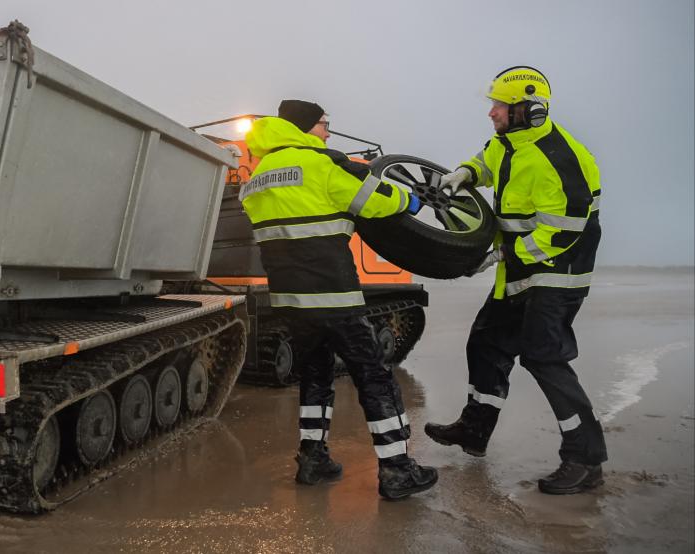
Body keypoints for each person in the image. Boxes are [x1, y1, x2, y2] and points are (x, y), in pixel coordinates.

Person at [239, 99, 436, 500]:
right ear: (306, 127)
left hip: (290, 300)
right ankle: (397, 470)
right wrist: (412, 201)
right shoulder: (321, 164)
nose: (328, 133)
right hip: (334, 294)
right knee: (375, 377)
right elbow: (375, 199)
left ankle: (313, 460)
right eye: (325, 125)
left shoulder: (257, 177)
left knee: (315, 375)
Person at [428, 66, 606, 494]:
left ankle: (585, 459)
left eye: (499, 106)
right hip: (521, 270)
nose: (491, 113)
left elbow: (564, 230)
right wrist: (464, 175)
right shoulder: (508, 143)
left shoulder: (559, 157)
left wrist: (505, 254)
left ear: (528, 110)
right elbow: (485, 163)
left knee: (544, 357)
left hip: (558, 271)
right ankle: (474, 431)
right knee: (486, 342)